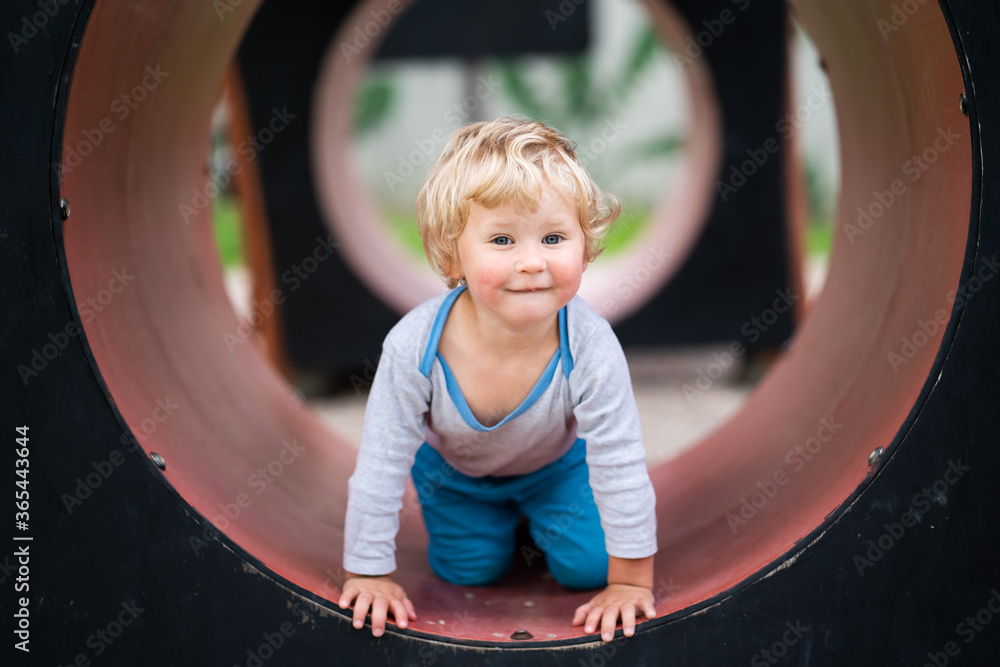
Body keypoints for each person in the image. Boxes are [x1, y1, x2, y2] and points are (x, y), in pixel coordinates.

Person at [339, 115, 657, 643]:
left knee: (588, 570)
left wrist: (630, 583)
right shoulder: (416, 345)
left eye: (554, 237)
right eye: (503, 239)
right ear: (452, 253)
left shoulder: (590, 343)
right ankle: (504, 527)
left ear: (586, 243)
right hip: (457, 479)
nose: (532, 262)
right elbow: (380, 461)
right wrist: (368, 572)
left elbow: (620, 460)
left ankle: (543, 521)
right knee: (470, 571)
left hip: (558, 468)